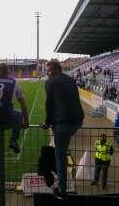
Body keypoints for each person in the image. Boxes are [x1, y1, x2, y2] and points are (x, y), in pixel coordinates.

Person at [39, 61, 84, 200]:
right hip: (78, 121)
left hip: (64, 123)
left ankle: (62, 190)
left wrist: (47, 122)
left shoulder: (50, 82)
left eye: (49, 70)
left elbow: (49, 104)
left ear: (57, 69)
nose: (47, 72)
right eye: (46, 70)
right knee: (62, 149)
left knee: (60, 155)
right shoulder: (71, 80)